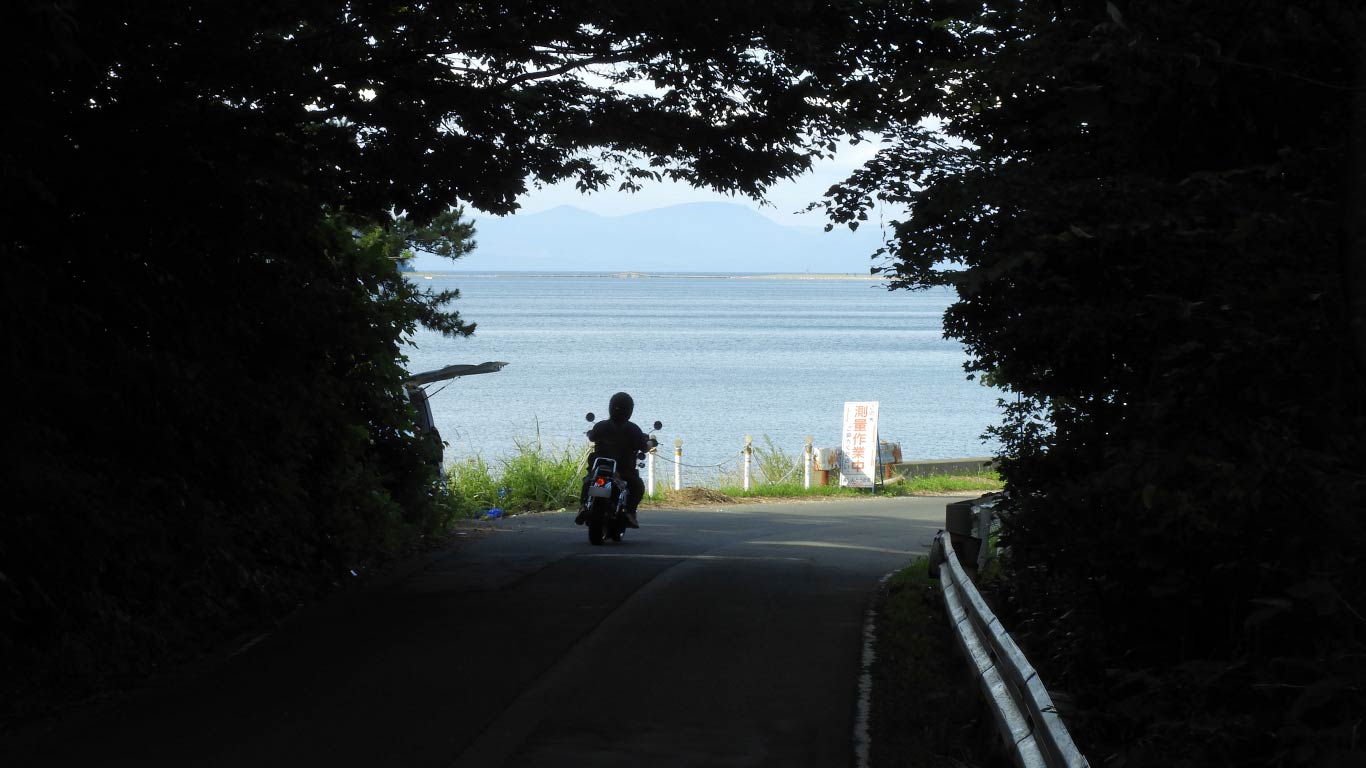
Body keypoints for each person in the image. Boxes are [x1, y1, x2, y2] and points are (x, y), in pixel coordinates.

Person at [576, 392, 651, 528]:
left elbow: (592, 437)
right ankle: (629, 512)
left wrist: (591, 434)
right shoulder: (633, 429)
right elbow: (643, 447)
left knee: (589, 480)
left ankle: (583, 507)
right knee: (638, 486)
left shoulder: (601, 426)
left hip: (600, 466)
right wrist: (649, 443)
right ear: (630, 410)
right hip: (623, 470)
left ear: (610, 407)